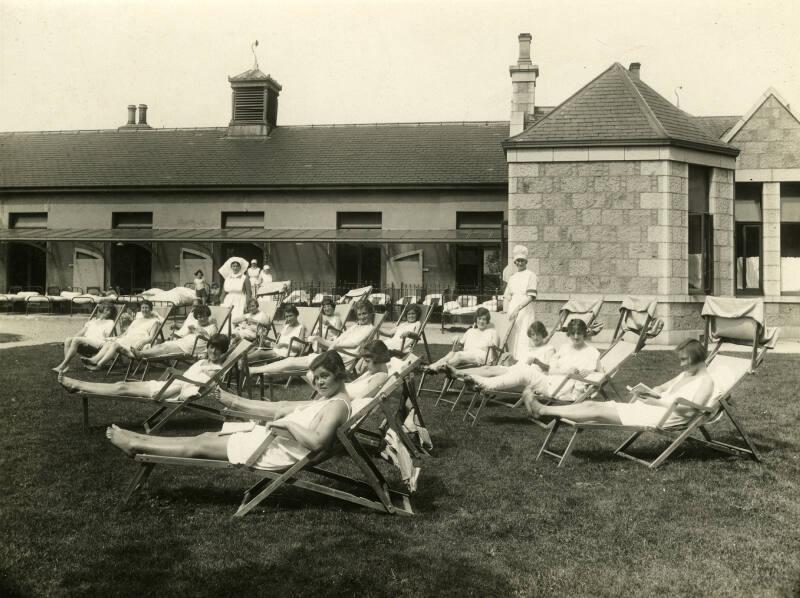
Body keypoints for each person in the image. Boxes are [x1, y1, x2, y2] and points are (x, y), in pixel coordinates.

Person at [106, 351, 352, 473]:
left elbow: (318, 442)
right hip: (270, 440)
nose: (318, 383)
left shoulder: (337, 406)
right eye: (316, 378)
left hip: (270, 451)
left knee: (200, 445)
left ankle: (137, 446)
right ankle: (140, 439)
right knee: (204, 437)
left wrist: (289, 425)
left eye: (324, 377)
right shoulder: (331, 398)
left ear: (339, 375)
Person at [525, 339, 716, 428]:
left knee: (597, 411)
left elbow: (692, 411)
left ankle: (542, 410)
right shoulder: (685, 374)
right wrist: (652, 392)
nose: (681, 364)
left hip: (660, 417)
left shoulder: (706, 382)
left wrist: (655, 402)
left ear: (695, 357)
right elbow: (662, 388)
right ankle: (542, 410)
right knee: (592, 405)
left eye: (684, 360)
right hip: (652, 409)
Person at [61, 334, 231, 401]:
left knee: (122, 387)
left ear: (223, 352)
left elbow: (190, 390)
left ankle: (77, 386)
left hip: (165, 390)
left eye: (217, 349)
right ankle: (77, 385)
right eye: (211, 347)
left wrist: (165, 392)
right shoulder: (204, 362)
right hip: (164, 385)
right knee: (121, 384)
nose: (212, 351)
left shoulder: (213, 371)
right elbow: (187, 377)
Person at [250, 300, 376, 377]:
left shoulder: (369, 328)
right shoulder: (355, 327)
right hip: (334, 354)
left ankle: (255, 370)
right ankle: (256, 370)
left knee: (293, 364)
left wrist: (336, 346)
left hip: (341, 360)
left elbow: (354, 344)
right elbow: (336, 341)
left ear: (371, 314)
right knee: (290, 362)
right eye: (359, 314)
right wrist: (318, 339)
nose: (361, 317)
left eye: (364, 313)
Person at [447, 321, 555, 392]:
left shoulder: (549, 349)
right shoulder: (530, 348)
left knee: (491, 373)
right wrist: (513, 360)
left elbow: (551, 370)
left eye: (538, 334)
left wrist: (537, 362)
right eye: (532, 335)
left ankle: (457, 373)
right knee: (487, 368)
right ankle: (456, 372)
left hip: (530, 377)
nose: (535, 338)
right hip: (517, 369)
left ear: (543, 333)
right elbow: (523, 362)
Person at [519, 319, 602, 402]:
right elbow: (551, 370)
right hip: (554, 380)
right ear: (569, 334)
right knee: (523, 375)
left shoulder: (592, 351)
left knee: (524, 378)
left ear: (584, 333)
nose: (576, 336)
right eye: (573, 333)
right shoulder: (564, 348)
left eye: (579, 333)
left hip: (566, 386)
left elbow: (602, 374)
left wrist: (590, 373)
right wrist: (565, 371)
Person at [81, 300, 161, 371]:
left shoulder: (154, 321)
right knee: (109, 342)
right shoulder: (136, 320)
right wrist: (117, 337)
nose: (144, 310)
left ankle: (98, 365)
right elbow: (126, 333)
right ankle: (94, 360)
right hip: (128, 339)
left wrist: (142, 342)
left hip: (138, 342)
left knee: (115, 345)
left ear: (151, 309)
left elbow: (152, 337)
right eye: (143, 308)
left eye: (146, 308)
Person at [424, 307, 500, 373]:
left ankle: (437, 368)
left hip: (483, 358)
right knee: (452, 353)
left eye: (484, 319)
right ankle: (432, 366)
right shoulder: (470, 331)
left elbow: (496, 353)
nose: (481, 321)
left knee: (459, 355)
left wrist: (492, 346)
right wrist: (455, 340)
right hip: (468, 355)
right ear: (476, 319)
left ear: (487, 321)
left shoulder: (492, 332)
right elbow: (458, 348)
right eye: (479, 319)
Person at [132, 304, 218, 359]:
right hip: (183, 342)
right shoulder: (195, 324)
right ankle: (141, 353)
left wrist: (202, 332)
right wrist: (188, 329)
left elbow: (214, 342)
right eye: (199, 317)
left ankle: (141, 354)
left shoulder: (212, 327)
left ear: (208, 316)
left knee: (164, 348)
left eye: (204, 316)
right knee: (161, 345)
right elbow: (183, 332)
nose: (202, 319)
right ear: (196, 317)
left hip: (191, 347)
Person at [52, 303, 118, 372]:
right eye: (107, 310)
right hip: (86, 340)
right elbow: (81, 332)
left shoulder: (110, 322)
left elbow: (107, 336)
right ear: (101, 310)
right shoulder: (92, 321)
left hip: (98, 342)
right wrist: (71, 340)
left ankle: (62, 365)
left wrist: (84, 340)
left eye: (110, 311)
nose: (109, 312)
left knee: (77, 339)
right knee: (68, 339)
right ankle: (66, 366)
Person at [503, 245, 537, 359]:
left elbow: (531, 296)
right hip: (512, 309)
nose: (520, 263)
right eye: (518, 260)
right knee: (512, 334)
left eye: (522, 260)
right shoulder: (512, 277)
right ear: (515, 262)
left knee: (524, 334)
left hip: (524, 309)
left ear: (526, 261)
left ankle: (523, 360)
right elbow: (507, 295)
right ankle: (511, 359)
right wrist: (506, 310)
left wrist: (518, 308)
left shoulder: (531, 275)